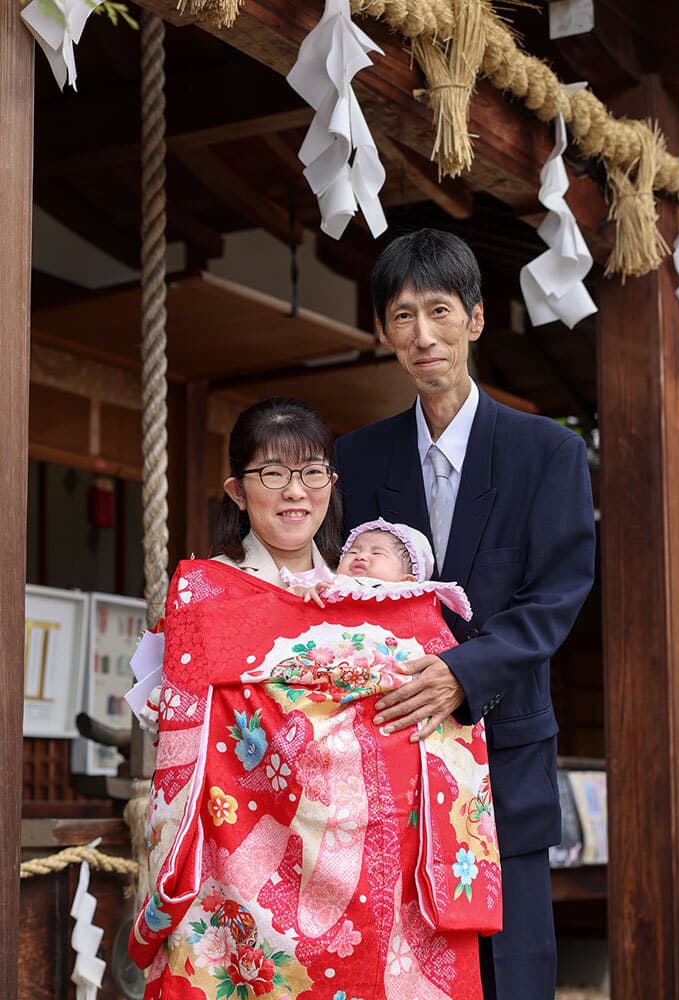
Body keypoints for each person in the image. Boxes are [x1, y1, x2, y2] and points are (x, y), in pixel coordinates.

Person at [129, 396, 502, 1000]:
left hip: (379, 872)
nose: (293, 491)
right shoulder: (205, 590)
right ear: (237, 488)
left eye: (311, 473)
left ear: (331, 482)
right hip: (238, 868)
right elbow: (185, 739)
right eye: (272, 474)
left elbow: (434, 708)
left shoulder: (384, 596)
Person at [334, 229, 596, 1000]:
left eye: (439, 309)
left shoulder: (547, 451)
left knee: (510, 973)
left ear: (475, 320)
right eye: (402, 315)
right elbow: (330, 590)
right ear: (385, 333)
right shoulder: (357, 457)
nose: (422, 334)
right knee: (396, 968)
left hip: (505, 749)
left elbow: (557, 596)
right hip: (387, 754)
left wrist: (460, 671)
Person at [283, 517, 473, 627]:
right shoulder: (329, 582)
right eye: (354, 551)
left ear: (407, 580)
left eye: (377, 553)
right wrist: (309, 593)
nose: (361, 556)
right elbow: (291, 598)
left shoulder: (405, 598)